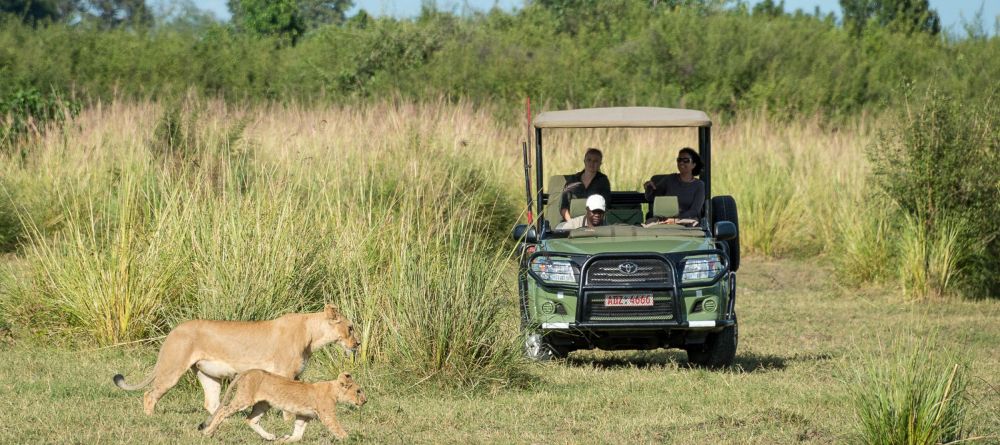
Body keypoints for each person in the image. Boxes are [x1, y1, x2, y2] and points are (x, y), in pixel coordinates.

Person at [643, 147, 705, 223]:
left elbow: (695, 211)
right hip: (664, 219)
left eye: (686, 160)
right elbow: (651, 197)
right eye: (679, 160)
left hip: (686, 220)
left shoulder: (699, 185)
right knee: (649, 222)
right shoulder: (669, 179)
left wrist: (676, 219)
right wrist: (648, 187)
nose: (681, 163)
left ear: (694, 165)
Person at [560, 148, 611, 222]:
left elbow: (605, 205)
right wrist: (571, 223)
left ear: (600, 163)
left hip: (595, 222)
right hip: (571, 221)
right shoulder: (572, 180)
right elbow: (564, 207)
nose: (592, 163)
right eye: (589, 160)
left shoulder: (603, 181)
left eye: (595, 161)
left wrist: (591, 223)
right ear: (584, 161)